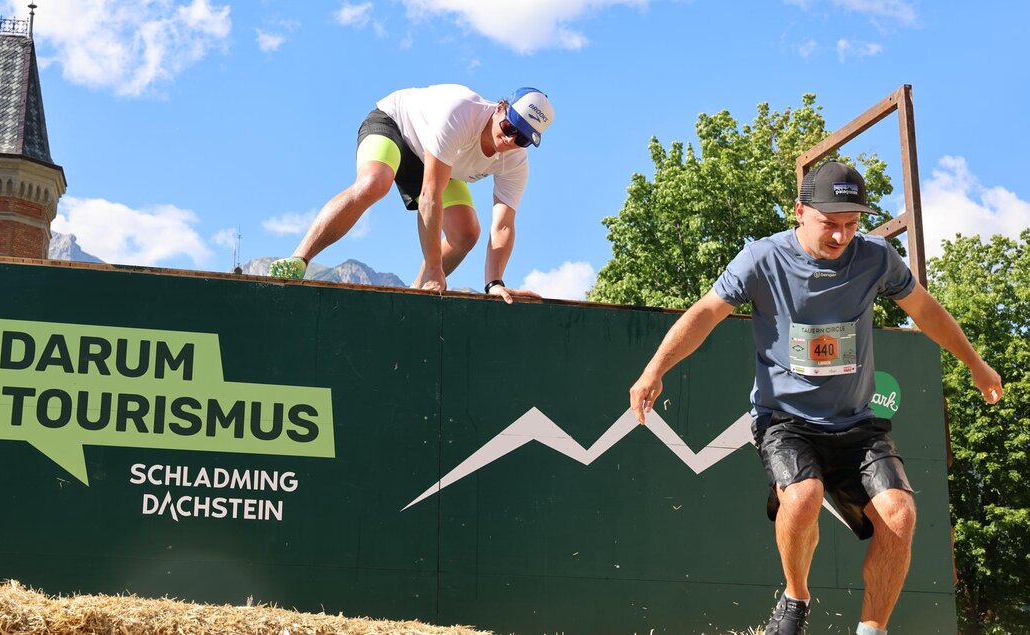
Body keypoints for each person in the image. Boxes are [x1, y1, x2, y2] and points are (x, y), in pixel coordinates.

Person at [627, 161, 1004, 635]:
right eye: (830, 223)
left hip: (856, 422)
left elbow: (925, 310)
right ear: (800, 211)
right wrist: (655, 369)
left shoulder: (876, 257)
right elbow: (705, 312)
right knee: (803, 496)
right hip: (784, 419)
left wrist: (975, 362)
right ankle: (796, 598)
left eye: (852, 224)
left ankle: (871, 630)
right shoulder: (762, 259)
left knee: (900, 515)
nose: (841, 236)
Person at [269, 84, 554, 303]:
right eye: (509, 127)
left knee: (467, 233)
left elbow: (503, 224)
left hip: (440, 162)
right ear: (500, 107)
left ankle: (417, 292)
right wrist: (434, 265)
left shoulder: (515, 162)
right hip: (396, 127)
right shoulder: (461, 113)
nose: (510, 139)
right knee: (374, 183)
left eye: (522, 139)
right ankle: (299, 260)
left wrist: (494, 283)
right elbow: (430, 195)